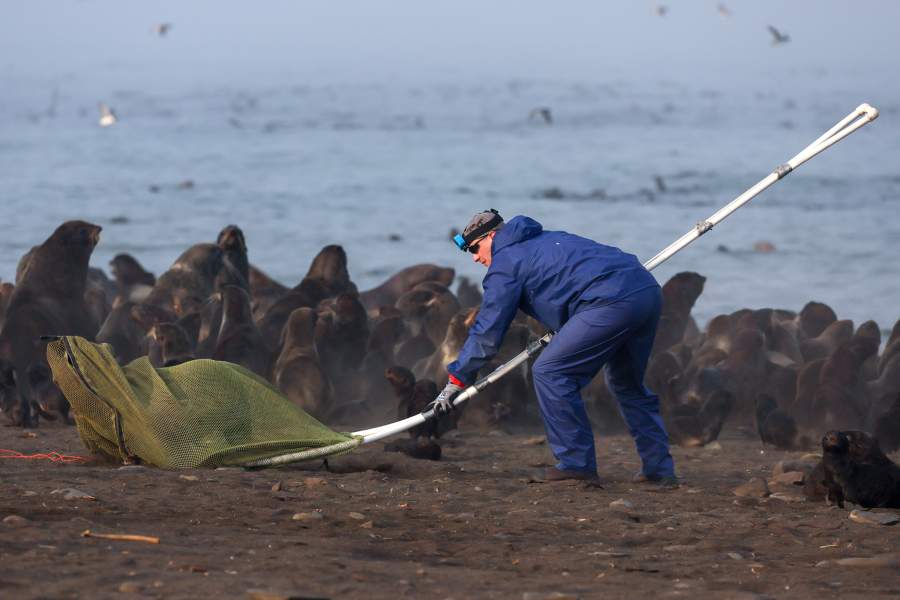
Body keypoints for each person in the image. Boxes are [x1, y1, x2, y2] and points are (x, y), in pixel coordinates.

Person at [432, 209, 677, 486]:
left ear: (492, 236)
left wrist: (457, 379)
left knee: (551, 372)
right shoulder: (548, 238)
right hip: (646, 292)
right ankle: (659, 470)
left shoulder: (506, 262)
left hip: (610, 303)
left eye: (475, 248)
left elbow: (488, 330)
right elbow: (572, 281)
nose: (476, 257)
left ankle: (576, 464)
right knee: (626, 383)